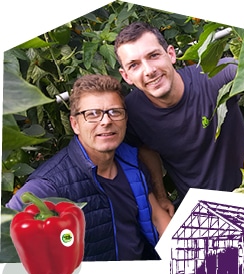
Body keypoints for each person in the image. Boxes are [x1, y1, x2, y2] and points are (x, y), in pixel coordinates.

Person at [6, 74, 171, 261]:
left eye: (115, 111)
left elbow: (158, 218)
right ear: (75, 124)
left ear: (125, 119)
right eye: (92, 114)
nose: (106, 121)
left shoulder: (130, 162)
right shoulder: (50, 186)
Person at [114, 21, 244, 216]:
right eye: (134, 65)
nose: (149, 70)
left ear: (170, 54)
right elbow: (143, 148)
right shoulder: (132, 113)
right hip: (199, 214)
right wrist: (161, 195)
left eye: (153, 56)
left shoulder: (214, 77)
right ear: (126, 76)